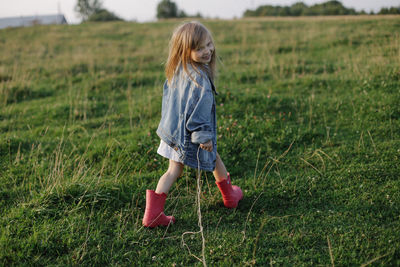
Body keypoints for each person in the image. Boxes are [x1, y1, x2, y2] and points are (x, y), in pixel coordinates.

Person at [142, 21, 243, 228]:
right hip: (190, 135)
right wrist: (203, 136)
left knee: (198, 162)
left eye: (208, 45)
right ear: (185, 51)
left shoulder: (179, 69)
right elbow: (199, 111)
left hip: (174, 132)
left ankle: (229, 195)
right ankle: (154, 214)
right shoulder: (200, 80)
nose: (207, 51)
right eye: (199, 49)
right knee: (177, 170)